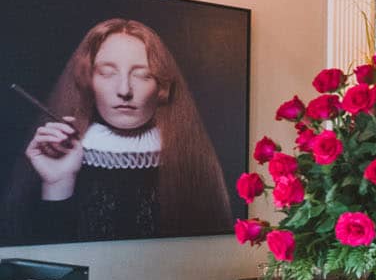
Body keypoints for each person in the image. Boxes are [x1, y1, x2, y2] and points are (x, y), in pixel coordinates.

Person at [5, 18, 231, 243]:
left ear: (162, 86)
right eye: (107, 72)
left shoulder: (188, 159)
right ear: (88, 80)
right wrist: (57, 183)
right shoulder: (67, 157)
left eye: (143, 74)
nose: (124, 90)